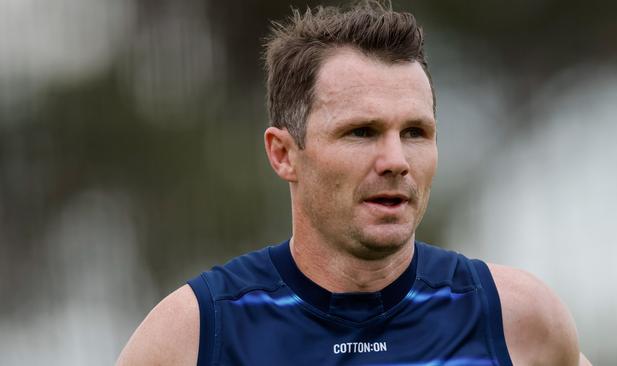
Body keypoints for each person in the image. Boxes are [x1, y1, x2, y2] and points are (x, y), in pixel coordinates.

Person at [117, 1, 591, 365]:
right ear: (283, 154)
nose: (396, 160)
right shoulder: (196, 336)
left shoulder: (517, 321)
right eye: (361, 132)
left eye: (415, 132)